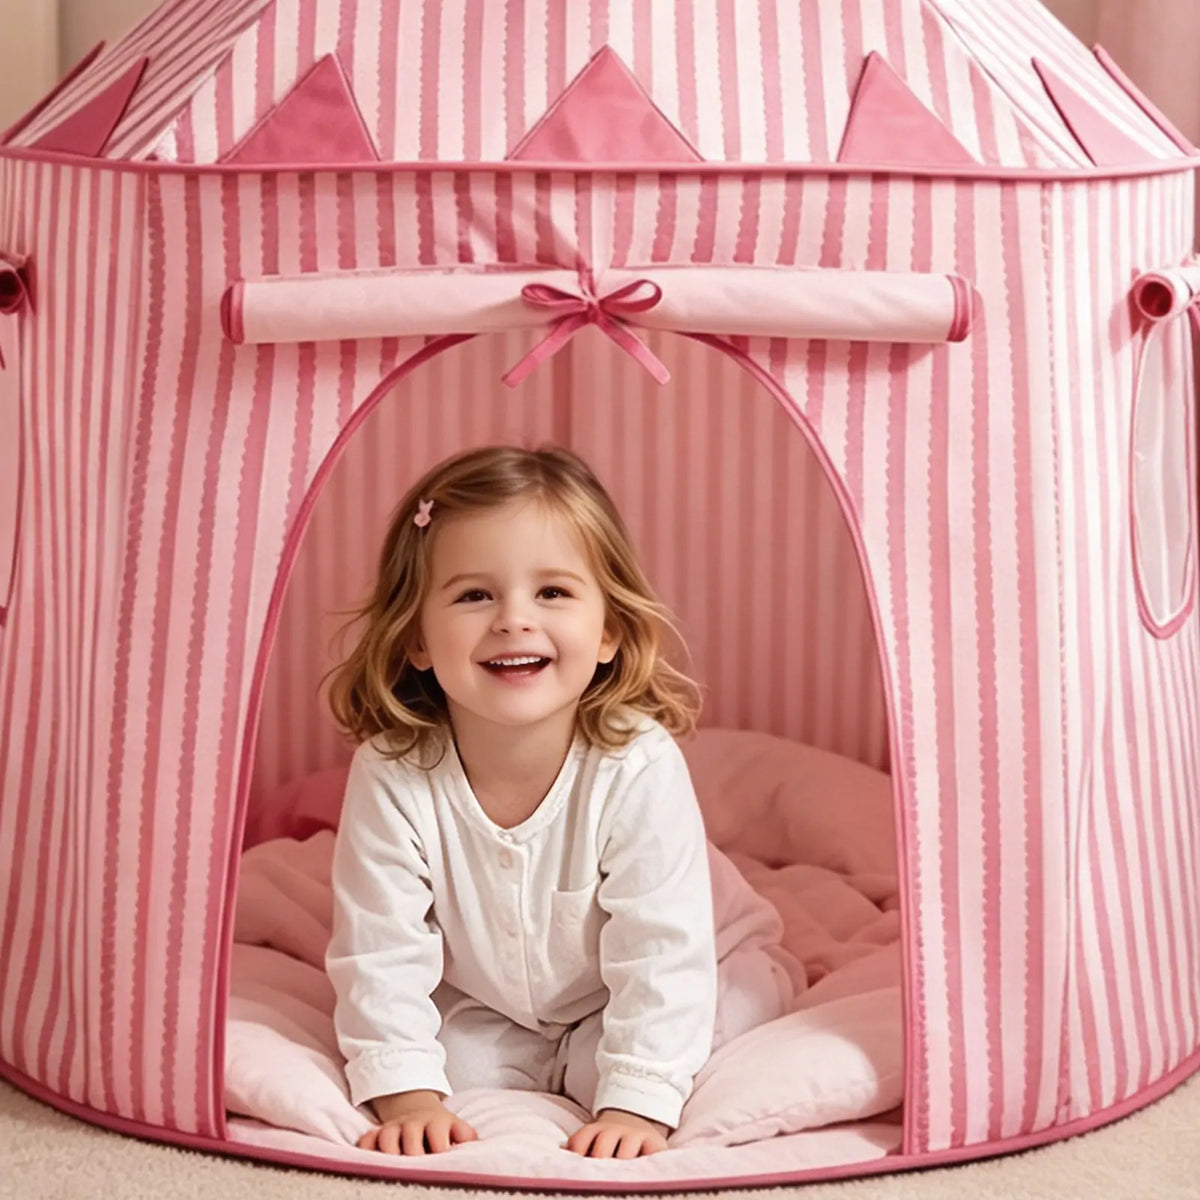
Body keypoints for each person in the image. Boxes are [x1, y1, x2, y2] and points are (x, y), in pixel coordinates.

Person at [325, 444, 793, 1160]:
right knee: (448, 1064)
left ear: (607, 630)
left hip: (689, 963)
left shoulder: (635, 766)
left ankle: (649, 1046)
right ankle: (554, 1057)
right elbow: (380, 950)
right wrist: (408, 1095)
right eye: (475, 594)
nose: (515, 619)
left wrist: (636, 1102)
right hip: (497, 1000)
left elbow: (662, 951)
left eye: (552, 593)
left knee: (711, 1027)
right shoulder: (392, 773)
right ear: (417, 637)